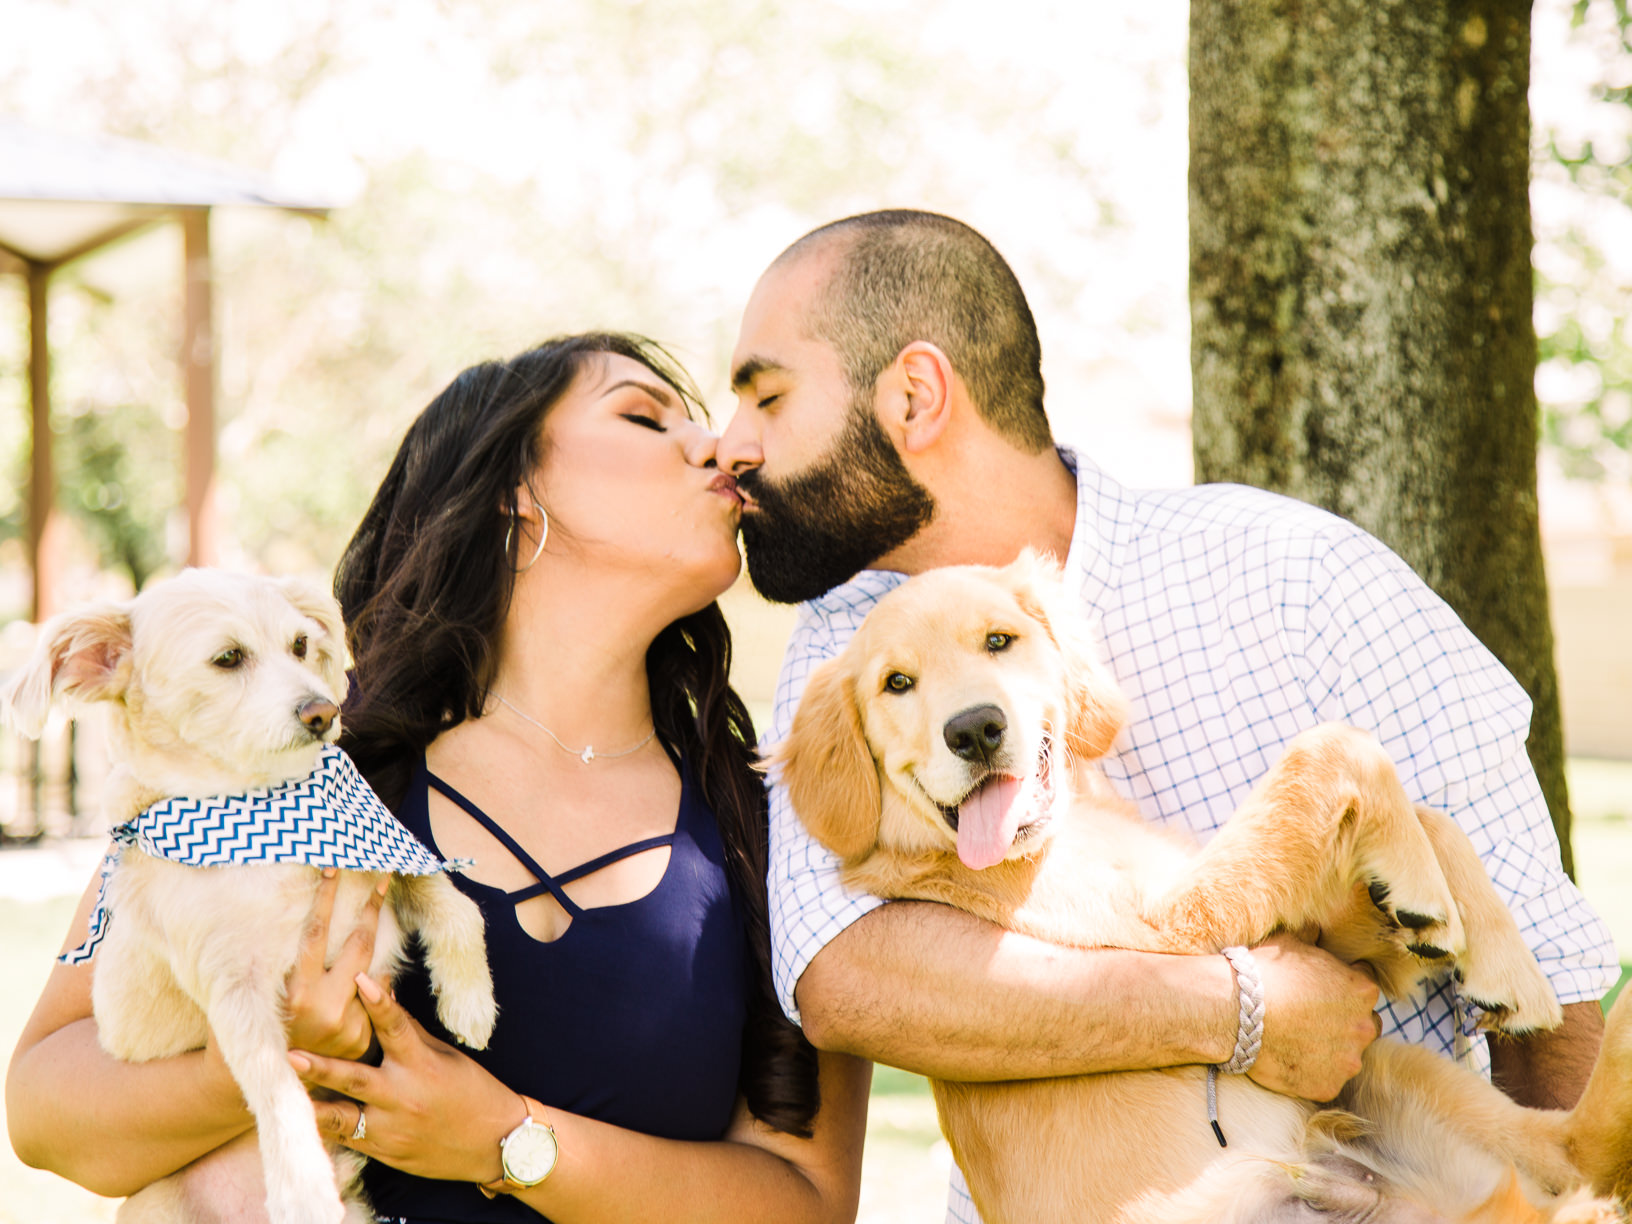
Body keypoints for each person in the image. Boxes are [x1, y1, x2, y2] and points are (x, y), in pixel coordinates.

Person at [714, 209, 1621, 1224]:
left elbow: (1550, 990)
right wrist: (1240, 1014)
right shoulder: (848, 640)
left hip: (1402, 1177)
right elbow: (847, 981)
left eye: (768, 396)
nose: (729, 444)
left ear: (915, 395)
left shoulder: (1301, 579)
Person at [7, 333, 869, 1223]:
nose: (720, 445)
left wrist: (507, 1139)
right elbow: (44, 1117)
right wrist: (278, 1053)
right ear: (515, 493)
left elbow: (808, 1201)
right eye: (646, 416)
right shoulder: (295, 775)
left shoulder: (780, 824)